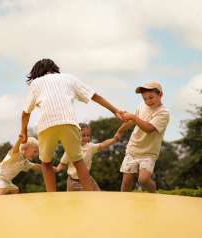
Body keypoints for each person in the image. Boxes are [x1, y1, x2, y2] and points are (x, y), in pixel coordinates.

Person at [20, 58, 123, 192]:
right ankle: (90, 193)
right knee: (77, 160)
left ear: (37, 72)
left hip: (46, 124)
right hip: (68, 121)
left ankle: (51, 197)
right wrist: (115, 110)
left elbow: (26, 112)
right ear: (55, 69)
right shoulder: (69, 78)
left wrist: (24, 131)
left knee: (46, 162)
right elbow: (94, 95)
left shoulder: (36, 83)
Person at [115, 81, 170, 193]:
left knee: (143, 180)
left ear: (160, 95)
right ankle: (122, 206)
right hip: (133, 149)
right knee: (126, 184)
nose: (148, 102)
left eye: (151, 97)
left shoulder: (164, 113)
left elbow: (149, 128)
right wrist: (119, 131)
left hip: (149, 153)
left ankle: (154, 193)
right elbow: (132, 121)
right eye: (144, 98)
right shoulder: (142, 106)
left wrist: (133, 117)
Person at [55, 123, 119, 191]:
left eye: (88, 135)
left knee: (97, 195)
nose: (86, 138)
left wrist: (114, 139)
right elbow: (63, 163)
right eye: (83, 135)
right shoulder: (71, 148)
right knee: (80, 199)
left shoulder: (90, 147)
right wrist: (56, 170)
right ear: (76, 135)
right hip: (74, 181)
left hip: (87, 179)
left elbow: (103, 144)